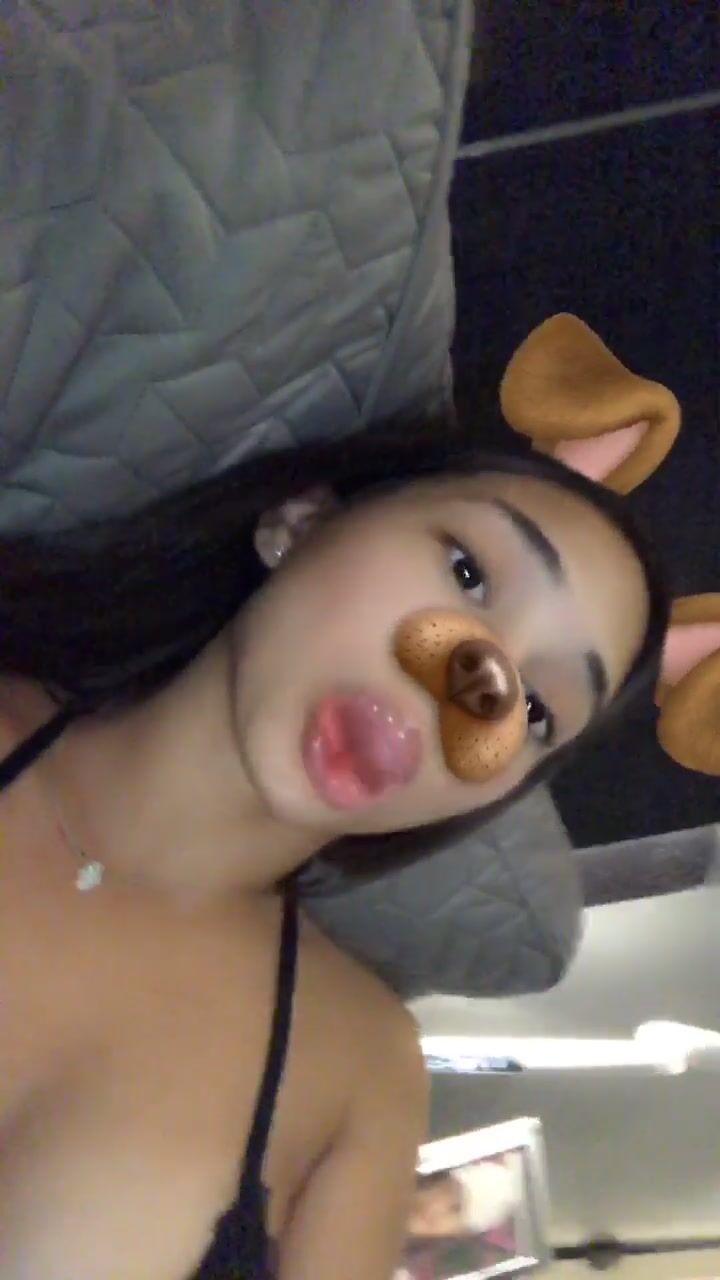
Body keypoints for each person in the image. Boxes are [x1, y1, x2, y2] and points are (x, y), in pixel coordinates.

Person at [0, 406, 669, 1280]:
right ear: (301, 522)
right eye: (467, 571)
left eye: (538, 709)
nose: (480, 685)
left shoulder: (363, 1073)